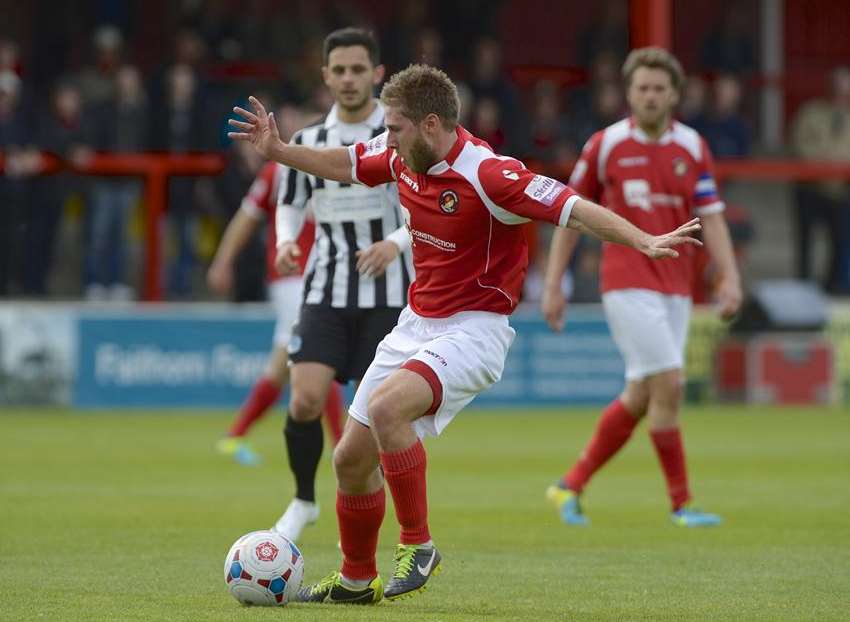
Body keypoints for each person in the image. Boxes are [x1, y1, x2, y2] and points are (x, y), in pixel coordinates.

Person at [228, 64, 701, 604]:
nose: (387, 139)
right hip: (416, 324)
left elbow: (573, 209)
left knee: (387, 411)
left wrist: (642, 238)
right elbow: (347, 164)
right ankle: (357, 580)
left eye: (396, 128)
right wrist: (281, 151)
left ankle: (418, 545)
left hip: (476, 330)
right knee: (349, 461)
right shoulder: (400, 154)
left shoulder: (492, 173)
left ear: (431, 124)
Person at [541, 47, 742, 528]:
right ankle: (681, 503)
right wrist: (553, 283)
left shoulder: (692, 147)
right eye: (642, 88)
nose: (650, 96)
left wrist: (730, 274)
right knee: (669, 384)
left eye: (658, 88)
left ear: (674, 93)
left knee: (641, 394)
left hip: (676, 285)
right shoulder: (605, 145)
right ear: (629, 93)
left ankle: (568, 486)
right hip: (626, 281)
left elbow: (711, 218)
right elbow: (569, 215)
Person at [266, 28, 414, 543]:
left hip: (391, 293)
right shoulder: (307, 141)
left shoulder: (401, 135)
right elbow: (289, 203)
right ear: (326, 76)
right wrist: (287, 241)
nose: (349, 79)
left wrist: (395, 243)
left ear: (377, 74)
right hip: (326, 286)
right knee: (305, 399)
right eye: (339, 70)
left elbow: (430, 208)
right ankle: (304, 500)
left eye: (359, 69)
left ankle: (381, 516)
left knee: (375, 416)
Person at [207, 147, 344, 466]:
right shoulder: (279, 172)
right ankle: (342, 445)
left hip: (314, 277)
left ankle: (235, 436)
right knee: (318, 357)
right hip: (292, 276)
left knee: (285, 363)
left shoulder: (331, 167)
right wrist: (223, 261)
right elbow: (246, 217)